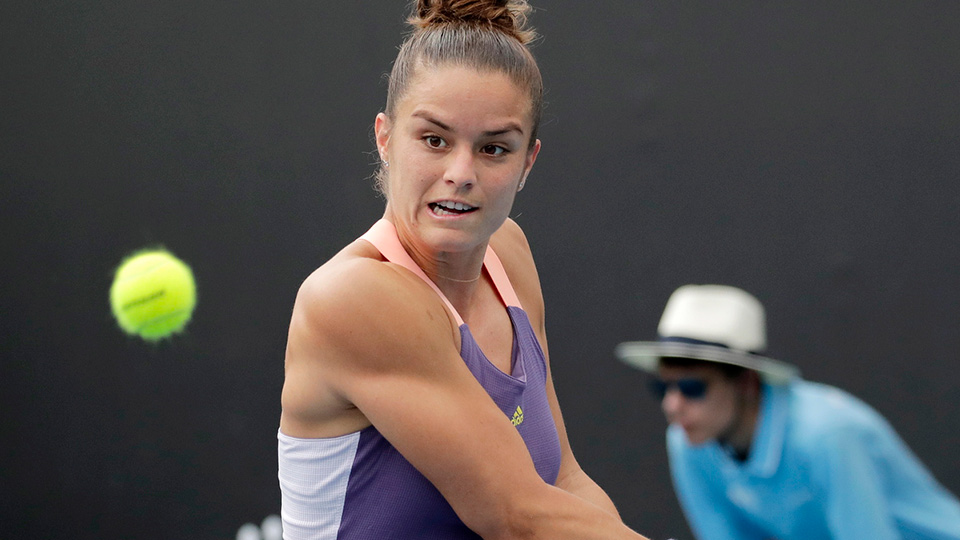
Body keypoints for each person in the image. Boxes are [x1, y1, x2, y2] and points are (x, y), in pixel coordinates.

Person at [277, 1, 653, 538]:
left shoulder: (509, 253)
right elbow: (516, 514)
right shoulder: (352, 297)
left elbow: (563, 481)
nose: (461, 173)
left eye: (493, 149)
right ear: (385, 138)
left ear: (527, 162)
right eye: (434, 140)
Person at [616, 284, 960, 540]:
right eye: (663, 387)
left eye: (693, 387)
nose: (672, 405)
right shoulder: (687, 443)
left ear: (746, 382)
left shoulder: (827, 435)